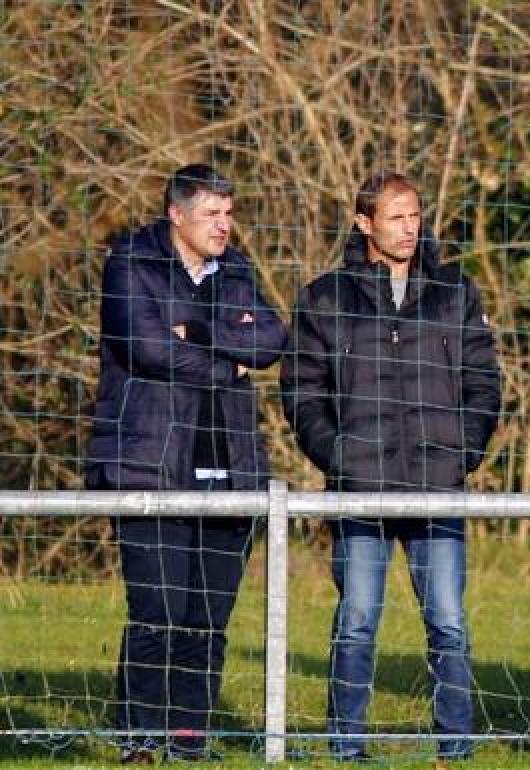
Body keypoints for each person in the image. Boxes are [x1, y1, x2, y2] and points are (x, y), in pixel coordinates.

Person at [281, 172, 501, 762]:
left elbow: (484, 384)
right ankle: (346, 746)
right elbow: (301, 391)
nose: (410, 227)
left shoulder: (454, 291)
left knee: (449, 623)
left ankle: (455, 747)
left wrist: (463, 450)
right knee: (356, 620)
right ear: (364, 222)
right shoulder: (325, 298)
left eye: (416, 215)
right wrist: (339, 455)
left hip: (438, 485)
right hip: (361, 488)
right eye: (397, 216)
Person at [86, 164, 287, 763]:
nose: (224, 226)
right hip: (148, 466)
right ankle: (140, 737)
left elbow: (273, 340)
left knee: (207, 617)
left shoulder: (239, 269)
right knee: (159, 612)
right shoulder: (131, 265)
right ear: (177, 214)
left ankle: (189, 738)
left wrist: (197, 329)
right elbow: (146, 349)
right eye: (212, 215)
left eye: (229, 214)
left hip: (230, 467)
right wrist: (227, 363)